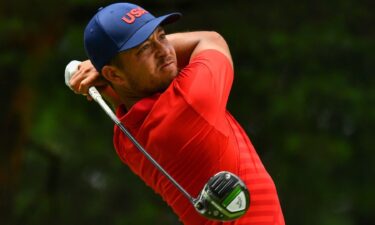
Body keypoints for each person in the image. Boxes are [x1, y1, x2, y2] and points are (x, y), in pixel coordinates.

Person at [69, 2, 285, 225]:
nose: (164, 51)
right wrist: (100, 71)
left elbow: (126, 94)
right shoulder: (191, 101)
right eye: (144, 49)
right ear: (114, 75)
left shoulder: (126, 141)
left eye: (161, 36)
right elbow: (211, 40)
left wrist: (104, 73)